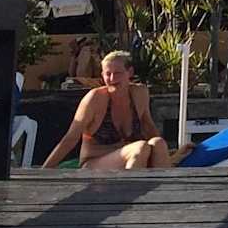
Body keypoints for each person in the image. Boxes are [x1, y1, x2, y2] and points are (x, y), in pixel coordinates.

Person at [42, 52, 170, 170]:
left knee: (158, 143)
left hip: (129, 157)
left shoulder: (139, 93)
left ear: (129, 72)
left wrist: (168, 155)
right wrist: (43, 172)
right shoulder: (95, 99)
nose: (112, 78)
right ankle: (128, 187)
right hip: (93, 163)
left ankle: (165, 186)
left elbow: (149, 127)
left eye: (118, 73)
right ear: (102, 75)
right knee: (140, 147)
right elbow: (70, 138)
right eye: (108, 74)